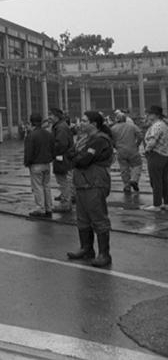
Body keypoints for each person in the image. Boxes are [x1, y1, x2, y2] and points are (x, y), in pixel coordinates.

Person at [66, 111, 114, 267]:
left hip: (95, 182)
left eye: (85, 120)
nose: (81, 123)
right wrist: (77, 157)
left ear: (94, 124)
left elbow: (84, 160)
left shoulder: (100, 140)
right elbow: (71, 154)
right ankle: (86, 249)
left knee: (98, 217)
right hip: (81, 183)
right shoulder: (84, 139)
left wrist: (77, 158)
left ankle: (104, 254)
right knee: (83, 218)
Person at [24, 113, 54, 217]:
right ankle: (49, 207)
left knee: (37, 187)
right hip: (47, 164)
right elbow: (52, 148)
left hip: (36, 164)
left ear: (31, 122)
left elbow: (29, 152)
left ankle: (40, 208)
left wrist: (27, 162)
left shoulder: (31, 135)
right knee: (47, 186)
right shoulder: (48, 134)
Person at [48, 108, 75, 212]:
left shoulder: (61, 128)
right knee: (64, 180)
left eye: (51, 115)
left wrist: (51, 150)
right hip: (63, 157)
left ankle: (65, 203)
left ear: (57, 116)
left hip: (62, 158)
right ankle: (66, 199)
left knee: (63, 181)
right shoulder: (60, 126)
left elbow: (61, 144)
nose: (49, 118)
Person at [142, 105, 168, 211]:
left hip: (156, 154)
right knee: (165, 180)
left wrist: (146, 150)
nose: (147, 115)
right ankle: (166, 202)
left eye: (149, 113)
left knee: (155, 180)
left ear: (156, 115)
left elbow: (152, 141)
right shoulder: (164, 124)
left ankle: (157, 204)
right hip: (165, 154)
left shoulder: (157, 126)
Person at [110, 110, 143, 193]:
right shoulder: (132, 126)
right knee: (137, 165)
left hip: (120, 151)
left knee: (124, 169)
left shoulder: (113, 128)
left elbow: (110, 140)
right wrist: (137, 144)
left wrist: (115, 146)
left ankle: (126, 186)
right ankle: (134, 180)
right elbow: (140, 135)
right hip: (132, 149)